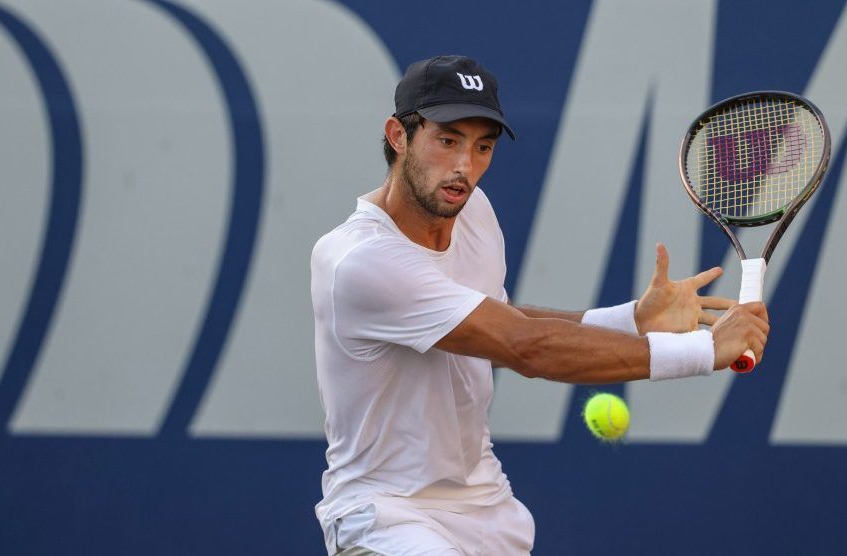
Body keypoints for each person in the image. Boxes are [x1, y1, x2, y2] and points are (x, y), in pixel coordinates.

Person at [310, 55, 769, 555]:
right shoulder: (361, 260)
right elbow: (524, 346)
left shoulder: (473, 212)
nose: (465, 167)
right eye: (448, 141)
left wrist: (631, 321)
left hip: (486, 508)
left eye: (482, 146)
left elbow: (495, 320)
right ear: (398, 136)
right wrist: (704, 351)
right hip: (387, 517)